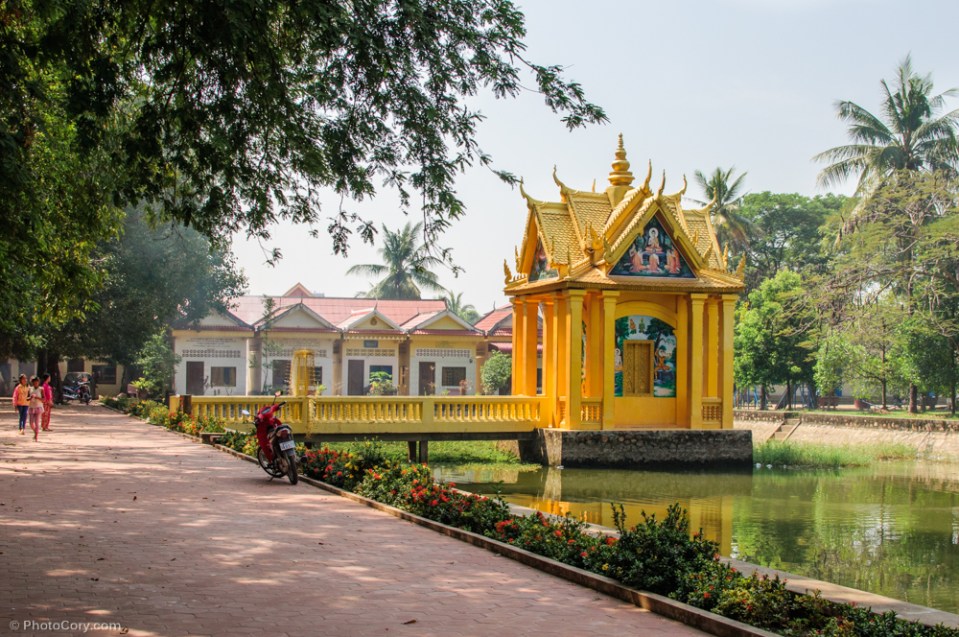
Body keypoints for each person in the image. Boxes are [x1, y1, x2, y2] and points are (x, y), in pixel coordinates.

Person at [27, 376, 44, 441]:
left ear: (38, 382)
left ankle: (36, 436)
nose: (35, 383)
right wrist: (30, 397)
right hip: (31, 407)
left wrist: (37, 397)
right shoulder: (30, 389)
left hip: (38, 407)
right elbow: (27, 398)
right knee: (31, 423)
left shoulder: (41, 389)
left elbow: (43, 399)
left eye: (36, 382)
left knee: (36, 422)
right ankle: (35, 431)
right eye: (34, 382)